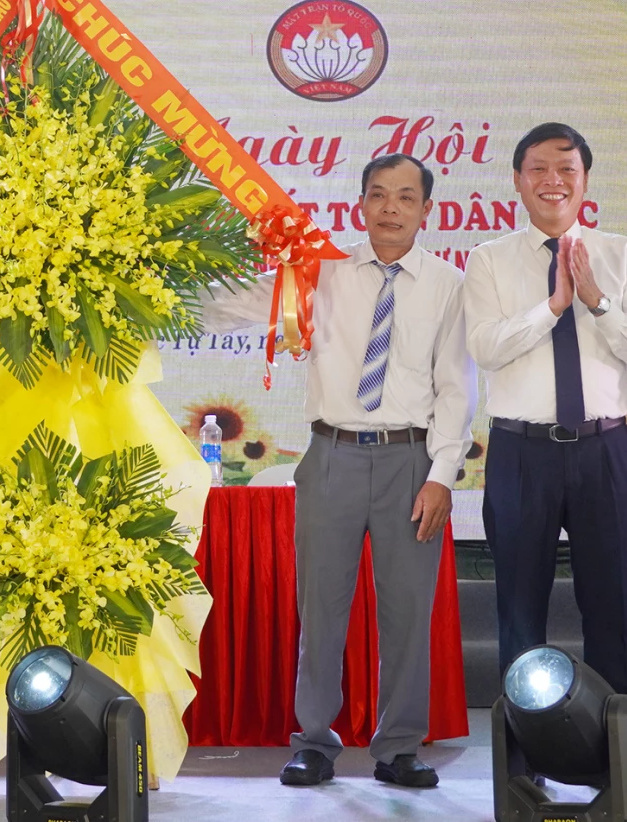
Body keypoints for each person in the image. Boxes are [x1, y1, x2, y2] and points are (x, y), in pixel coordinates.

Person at [203, 154, 474, 790]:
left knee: (407, 609)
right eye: (378, 195)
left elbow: (456, 387)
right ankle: (314, 742)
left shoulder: (447, 284)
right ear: (359, 204)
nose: (390, 209)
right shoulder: (319, 272)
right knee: (321, 606)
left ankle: (400, 747)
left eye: (406, 198)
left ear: (426, 210)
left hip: (412, 460)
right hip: (331, 456)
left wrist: (441, 473)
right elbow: (227, 309)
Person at [462, 123, 627, 698]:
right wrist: (552, 307)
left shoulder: (622, 254)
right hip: (522, 454)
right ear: (518, 182)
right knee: (520, 616)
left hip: (606, 451)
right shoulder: (489, 260)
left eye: (567, 169)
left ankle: (613, 760)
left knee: (610, 611)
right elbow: (485, 347)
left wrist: (595, 301)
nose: (554, 181)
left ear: (586, 181)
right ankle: (524, 766)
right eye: (539, 170)